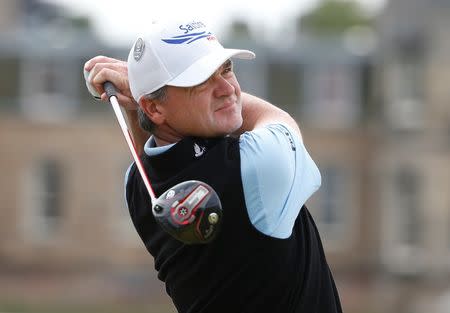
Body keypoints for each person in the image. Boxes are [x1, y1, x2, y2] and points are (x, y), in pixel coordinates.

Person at [84, 18, 342, 313]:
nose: (227, 88)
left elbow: (157, 150)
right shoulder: (257, 165)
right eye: (201, 80)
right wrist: (137, 89)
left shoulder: (136, 187)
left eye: (226, 69)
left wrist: (141, 95)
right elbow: (277, 119)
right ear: (154, 108)